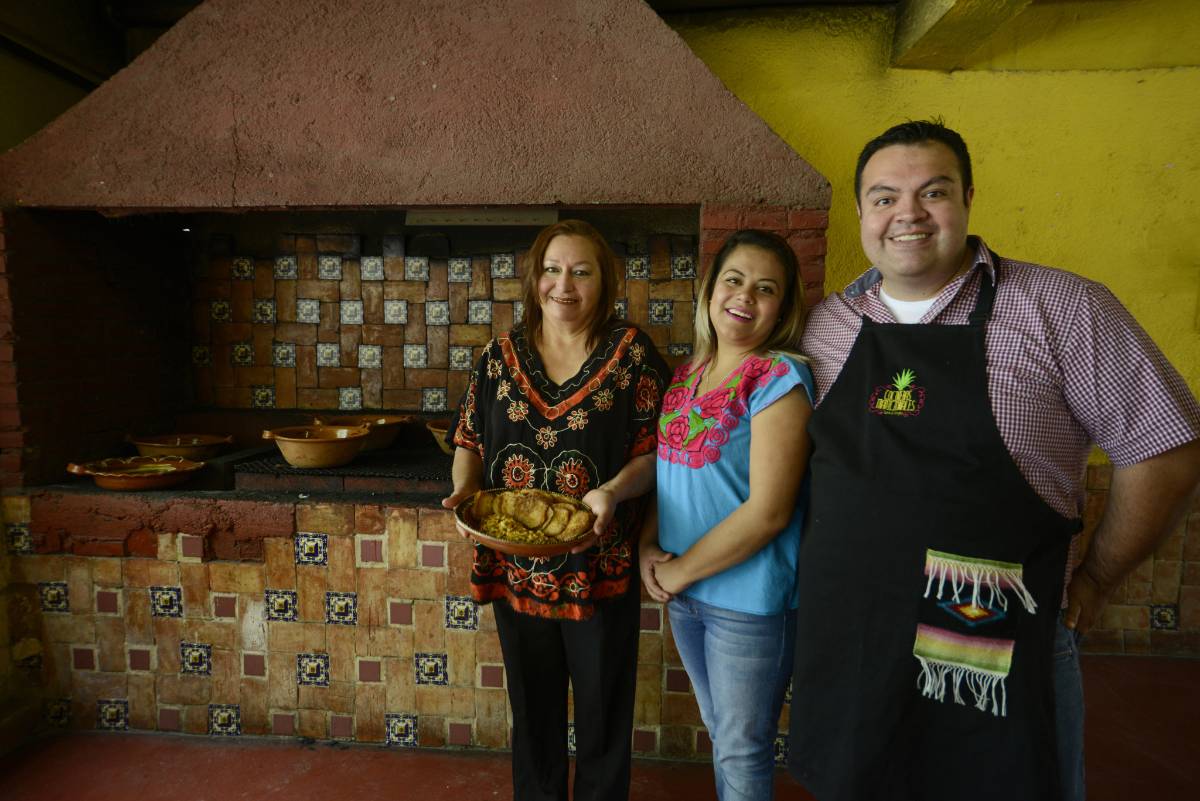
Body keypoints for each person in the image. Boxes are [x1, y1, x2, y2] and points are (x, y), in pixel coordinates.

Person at [786, 119, 1200, 801]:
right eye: (885, 197)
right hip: (853, 642)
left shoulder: (1061, 307)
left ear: (969, 198)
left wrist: (1096, 579)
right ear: (861, 212)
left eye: (933, 192)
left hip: (998, 644)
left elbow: (1167, 450)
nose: (908, 214)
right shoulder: (826, 325)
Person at [442, 219, 668, 801]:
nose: (563, 285)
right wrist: (464, 493)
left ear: (604, 282)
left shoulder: (632, 355)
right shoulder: (498, 357)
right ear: (534, 278)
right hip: (516, 565)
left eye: (581, 272)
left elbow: (655, 454)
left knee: (603, 715)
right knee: (532, 713)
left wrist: (612, 490)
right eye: (552, 269)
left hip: (599, 565)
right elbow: (469, 440)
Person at [640, 229, 814, 801]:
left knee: (742, 747)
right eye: (734, 281)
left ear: (782, 309)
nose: (745, 296)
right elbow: (668, 474)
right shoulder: (687, 374)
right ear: (710, 291)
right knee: (723, 734)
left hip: (749, 602)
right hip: (686, 593)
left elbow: (769, 512)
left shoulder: (780, 378)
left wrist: (678, 571)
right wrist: (647, 546)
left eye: (766, 289)